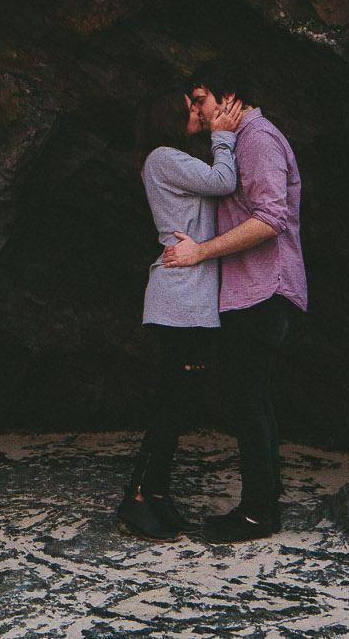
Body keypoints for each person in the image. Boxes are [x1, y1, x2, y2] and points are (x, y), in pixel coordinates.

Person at [161, 57, 307, 542]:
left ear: (228, 99)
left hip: (262, 290)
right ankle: (262, 508)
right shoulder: (240, 143)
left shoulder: (258, 140)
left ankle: (257, 514)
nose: (197, 112)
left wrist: (200, 251)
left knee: (246, 402)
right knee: (254, 401)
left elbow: (270, 218)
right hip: (255, 291)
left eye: (200, 100)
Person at [117, 87, 244, 540]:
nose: (197, 110)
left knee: (184, 403)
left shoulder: (171, 158)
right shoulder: (162, 156)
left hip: (193, 296)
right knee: (172, 404)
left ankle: (156, 495)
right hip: (179, 297)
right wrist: (224, 137)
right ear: (166, 116)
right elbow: (224, 182)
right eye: (187, 106)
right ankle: (136, 498)